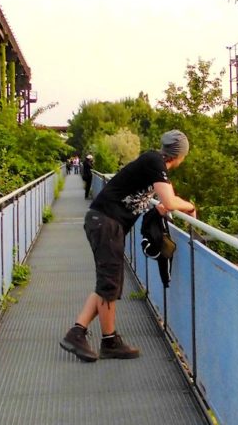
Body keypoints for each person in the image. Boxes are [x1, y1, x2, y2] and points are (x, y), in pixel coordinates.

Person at [60, 130, 196, 362]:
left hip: (105, 223)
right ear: (180, 155)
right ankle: (109, 341)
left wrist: (161, 208)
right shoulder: (155, 161)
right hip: (105, 222)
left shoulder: (153, 164)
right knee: (109, 283)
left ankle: (78, 332)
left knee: (109, 282)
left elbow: (157, 200)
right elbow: (170, 201)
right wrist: (190, 206)